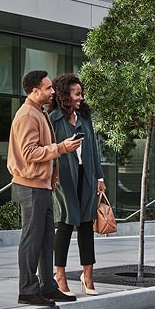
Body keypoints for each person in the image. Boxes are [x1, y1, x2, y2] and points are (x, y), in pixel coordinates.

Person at [8, 70, 83, 306]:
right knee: (31, 239)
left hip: (42, 186)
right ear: (35, 90)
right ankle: (28, 291)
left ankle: (47, 287)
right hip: (31, 186)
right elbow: (29, 153)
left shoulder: (38, 112)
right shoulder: (27, 116)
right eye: (48, 88)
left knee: (46, 239)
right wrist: (61, 148)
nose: (52, 91)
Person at [49, 73, 106, 297]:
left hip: (87, 177)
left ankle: (87, 276)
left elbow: (94, 150)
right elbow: (51, 150)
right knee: (64, 225)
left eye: (81, 94)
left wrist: (99, 177)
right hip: (64, 179)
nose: (81, 98)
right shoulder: (53, 119)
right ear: (65, 95)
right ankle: (60, 275)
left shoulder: (84, 119)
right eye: (77, 94)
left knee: (86, 226)